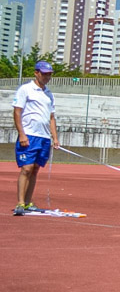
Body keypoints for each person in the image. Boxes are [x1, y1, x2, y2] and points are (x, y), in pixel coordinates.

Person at [12, 61, 59, 214]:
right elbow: (17, 112)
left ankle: (27, 201)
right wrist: (22, 134)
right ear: (36, 73)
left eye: (49, 74)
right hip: (29, 135)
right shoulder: (25, 89)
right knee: (26, 168)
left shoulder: (48, 94)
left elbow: (52, 117)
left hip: (44, 136)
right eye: (45, 74)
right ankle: (20, 202)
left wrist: (55, 138)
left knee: (35, 169)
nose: (47, 77)